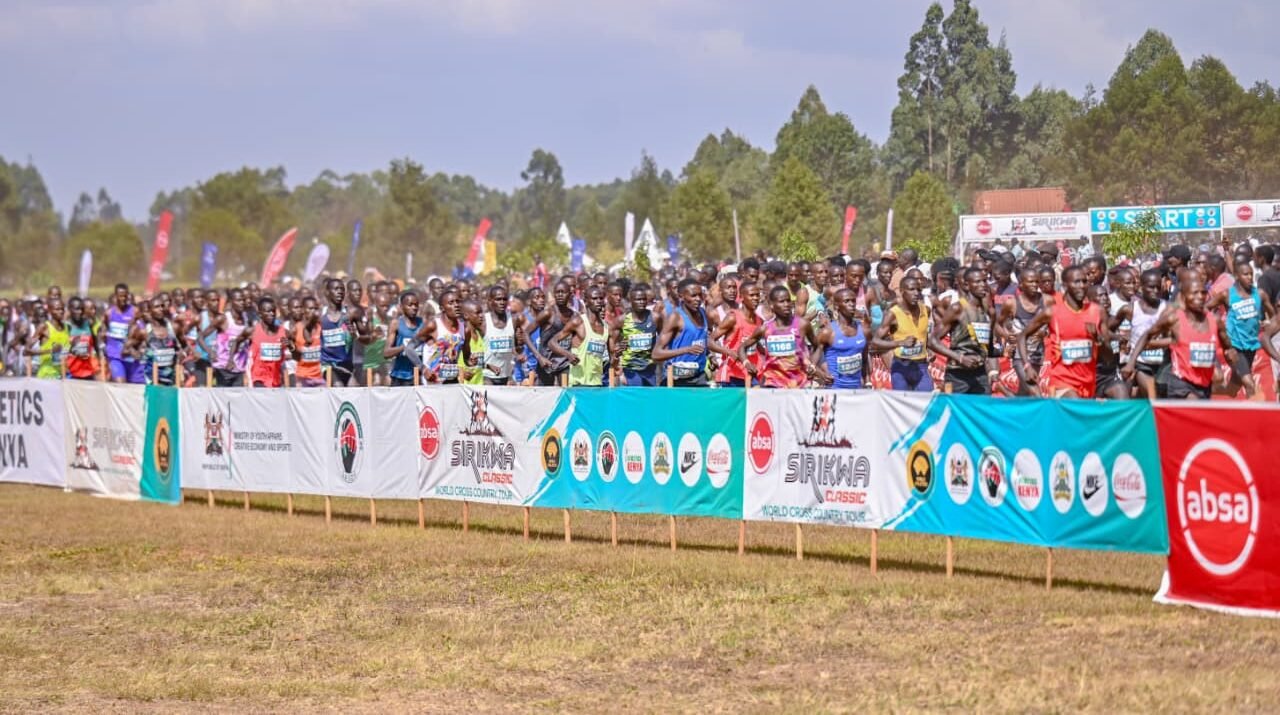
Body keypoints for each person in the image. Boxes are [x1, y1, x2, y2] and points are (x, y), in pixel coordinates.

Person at [1125, 275, 1228, 400]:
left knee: (1196, 409)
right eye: (1195, 293)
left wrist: (1224, 365)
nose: (1200, 297)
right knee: (1191, 401)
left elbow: (1225, 348)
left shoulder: (1214, 320)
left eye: (1203, 293)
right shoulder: (1173, 317)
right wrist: (1131, 362)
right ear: (1184, 297)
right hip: (1177, 380)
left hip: (1202, 383)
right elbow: (1149, 335)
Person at [1019, 266, 1105, 399]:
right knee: (1075, 403)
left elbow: (1108, 356)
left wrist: (1098, 338)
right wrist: (1027, 366)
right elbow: (1022, 336)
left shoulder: (1097, 311)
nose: (1082, 286)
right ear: (1065, 285)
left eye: (1084, 281)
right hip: (1062, 383)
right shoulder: (1052, 312)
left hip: (1088, 383)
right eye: (1076, 282)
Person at [1206, 261, 1279, 399]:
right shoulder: (1227, 295)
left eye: (1251, 274)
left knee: (1233, 389)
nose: (1249, 277)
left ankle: (1206, 390)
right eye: (1246, 274)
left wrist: (1268, 323)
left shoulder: (1260, 294)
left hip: (1251, 346)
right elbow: (1205, 308)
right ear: (1237, 276)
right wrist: (1211, 325)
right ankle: (1253, 413)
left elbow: (1274, 315)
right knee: (1249, 384)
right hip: (1234, 347)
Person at [930, 267, 997, 395]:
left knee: (982, 407)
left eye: (984, 281)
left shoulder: (987, 311)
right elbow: (932, 341)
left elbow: (988, 347)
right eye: (977, 282)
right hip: (958, 374)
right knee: (956, 408)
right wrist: (960, 358)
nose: (983, 285)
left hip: (980, 374)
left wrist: (1002, 356)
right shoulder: (957, 308)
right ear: (967, 285)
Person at [739, 285, 819, 389]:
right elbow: (742, 348)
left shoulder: (802, 324)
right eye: (781, 301)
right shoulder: (765, 329)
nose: (786, 305)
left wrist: (812, 365)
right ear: (771, 305)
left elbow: (818, 346)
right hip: (773, 382)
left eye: (788, 301)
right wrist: (746, 363)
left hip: (799, 383)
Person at [873, 276, 932, 392]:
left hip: (921, 366)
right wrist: (900, 343)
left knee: (926, 400)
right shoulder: (893, 314)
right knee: (902, 402)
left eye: (918, 290)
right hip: (901, 367)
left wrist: (928, 349)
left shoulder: (926, 310)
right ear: (901, 291)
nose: (916, 293)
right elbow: (875, 342)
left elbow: (923, 333)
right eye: (911, 289)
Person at [652, 278, 711, 387]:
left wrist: (713, 355)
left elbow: (704, 340)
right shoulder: (675, 317)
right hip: (678, 379)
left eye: (700, 295)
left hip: (699, 376)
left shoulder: (703, 313)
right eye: (693, 296)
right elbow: (656, 354)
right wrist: (686, 350)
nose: (698, 299)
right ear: (681, 297)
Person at [549, 285, 610, 387]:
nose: (598, 301)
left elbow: (611, 358)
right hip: (578, 384)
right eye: (594, 298)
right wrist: (568, 355)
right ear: (586, 302)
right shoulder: (578, 322)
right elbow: (552, 342)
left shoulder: (606, 327)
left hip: (597, 383)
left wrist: (617, 354)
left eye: (601, 298)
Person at [1125, 269, 1170, 400]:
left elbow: (1174, 336)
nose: (1155, 291)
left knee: (1158, 397)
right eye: (1151, 287)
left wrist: (1156, 343)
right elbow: (1110, 327)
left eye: (1158, 287)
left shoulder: (1168, 309)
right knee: (1151, 393)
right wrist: (1120, 338)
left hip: (1162, 364)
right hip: (1141, 363)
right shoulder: (1130, 309)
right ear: (1141, 287)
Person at [814, 287, 870, 389]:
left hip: (856, 390)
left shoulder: (864, 330)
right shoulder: (828, 332)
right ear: (836, 306)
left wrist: (867, 382)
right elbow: (813, 360)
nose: (851, 304)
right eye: (846, 301)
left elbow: (865, 360)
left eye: (853, 301)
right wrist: (822, 374)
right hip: (834, 389)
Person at [710, 281, 763, 387]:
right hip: (732, 373)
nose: (755, 298)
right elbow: (709, 341)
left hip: (751, 371)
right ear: (742, 297)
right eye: (752, 295)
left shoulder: (759, 320)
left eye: (757, 295)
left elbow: (754, 343)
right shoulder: (733, 317)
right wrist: (729, 352)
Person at [612, 282, 659, 386]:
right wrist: (618, 349)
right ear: (631, 301)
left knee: (649, 396)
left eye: (644, 299)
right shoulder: (621, 320)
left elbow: (664, 341)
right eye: (638, 299)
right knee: (634, 395)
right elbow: (612, 345)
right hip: (630, 370)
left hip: (650, 369)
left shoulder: (655, 318)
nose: (641, 302)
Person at [533, 281, 576, 386]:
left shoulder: (574, 316)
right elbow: (526, 333)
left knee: (565, 393)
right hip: (546, 363)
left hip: (564, 363)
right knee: (545, 395)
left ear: (570, 294)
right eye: (557, 292)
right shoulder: (548, 313)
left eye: (563, 292)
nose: (560, 295)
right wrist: (539, 357)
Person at [102, 284, 143, 383]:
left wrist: (134, 344)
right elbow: (103, 331)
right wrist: (104, 348)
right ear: (115, 296)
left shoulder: (134, 311)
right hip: (115, 355)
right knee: (121, 384)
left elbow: (142, 332)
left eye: (125, 296)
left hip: (131, 356)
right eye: (120, 296)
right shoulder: (109, 313)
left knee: (134, 386)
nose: (123, 299)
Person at [248, 296, 288, 388]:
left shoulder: (283, 331)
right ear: (260, 314)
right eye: (268, 311)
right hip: (258, 379)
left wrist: (291, 347)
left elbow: (295, 351)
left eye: (273, 311)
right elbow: (237, 342)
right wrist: (231, 359)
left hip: (276, 379)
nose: (271, 314)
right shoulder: (252, 331)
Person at [28, 298, 70, 379]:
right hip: (47, 377)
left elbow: (65, 351)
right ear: (49, 311)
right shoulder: (44, 327)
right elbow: (26, 351)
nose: (61, 311)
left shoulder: (67, 327)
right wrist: (50, 351)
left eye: (62, 309)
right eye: (57, 309)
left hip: (63, 376)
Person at [144, 299, 180, 386]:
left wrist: (180, 358)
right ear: (149, 311)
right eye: (156, 307)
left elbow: (182, 346)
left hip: (169, 375)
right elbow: (129, 348)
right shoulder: (144, 330)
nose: (161, 309)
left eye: (162, 306)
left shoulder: (174, 327)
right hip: (150, 376)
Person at [292, 296, 325, 387]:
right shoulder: (296, 329)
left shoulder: (321, 328)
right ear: (303, 310)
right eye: (310, 309)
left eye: (315, 309)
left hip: (319, 376)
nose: (313, 311)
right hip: (302, 376)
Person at [64, 297, 99, 380]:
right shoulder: (66, 327)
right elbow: (60, 351)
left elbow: (95, 344)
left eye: (82, 309)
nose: (80, 312)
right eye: (77, 309)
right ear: (70, 309)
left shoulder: (88, 324)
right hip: (71, 373)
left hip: (88, 372)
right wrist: (72, 349)